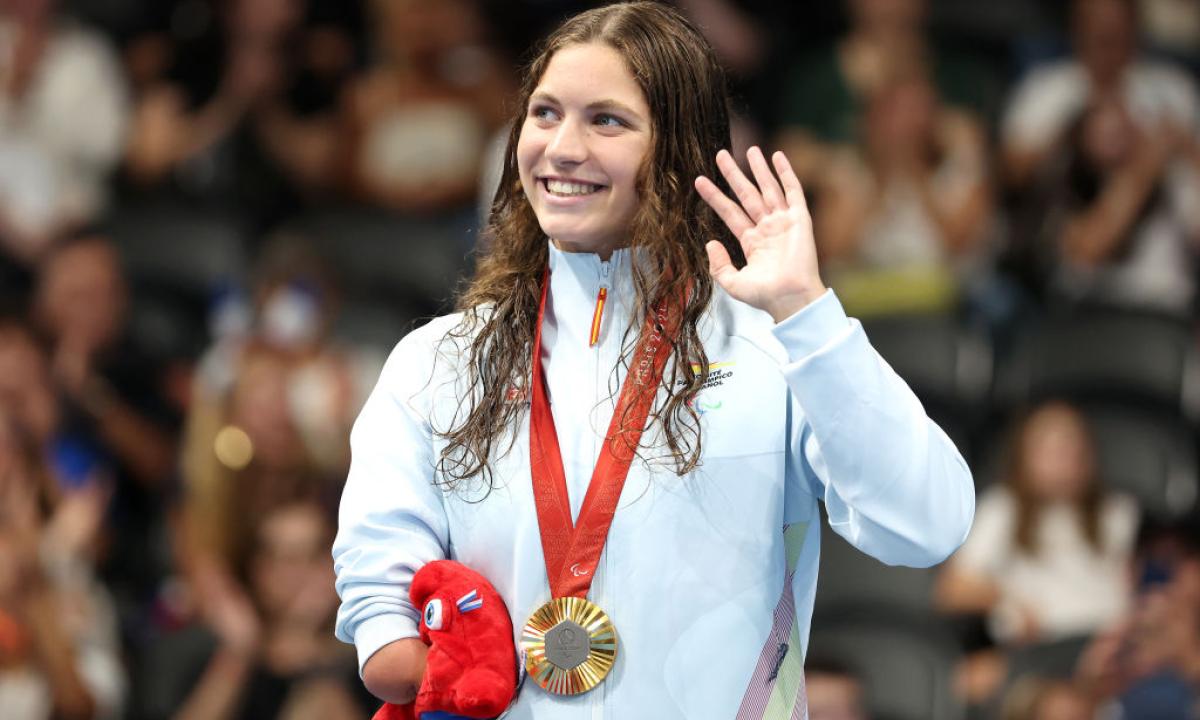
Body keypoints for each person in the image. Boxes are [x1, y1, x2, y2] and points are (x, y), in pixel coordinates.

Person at [332, 3, 974, 717]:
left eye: (606, 121)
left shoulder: (776, 349)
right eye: (545, 114)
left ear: (679, 148)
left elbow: (926, 525)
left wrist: (807, 311)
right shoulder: (437, 364)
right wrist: (437, 664)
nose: (562, 148)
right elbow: (380, 605)